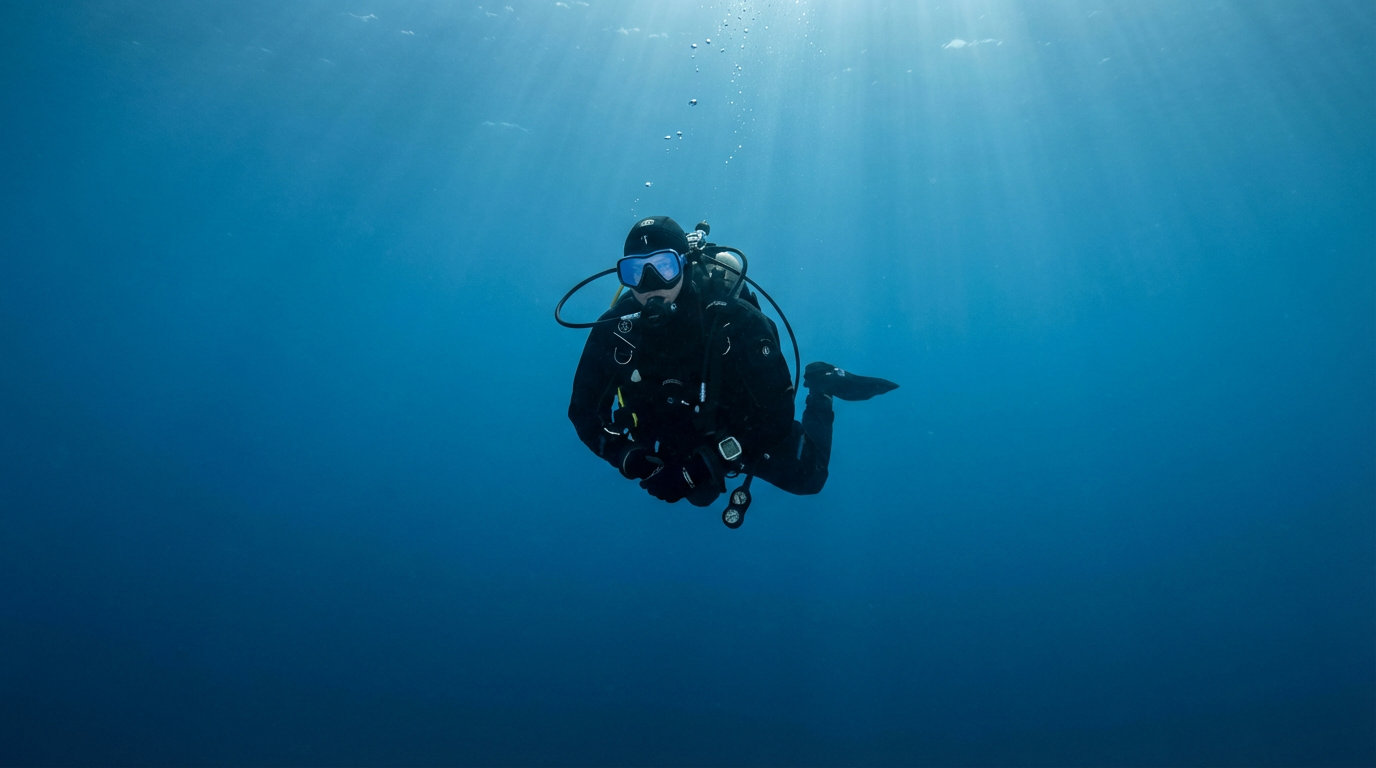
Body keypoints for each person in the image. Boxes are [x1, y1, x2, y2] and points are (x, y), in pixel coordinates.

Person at [567, 215, 897, 508]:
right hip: (667, 432)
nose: (649, 285)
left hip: (737, 429)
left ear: (684, 264)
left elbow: (777, 415)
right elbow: (584, 414)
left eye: (663, 267)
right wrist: (629, 458)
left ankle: (823, 388)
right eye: (636, 271)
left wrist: (707, 464)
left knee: (809, 479)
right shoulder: (617, 330)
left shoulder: (734, 321)